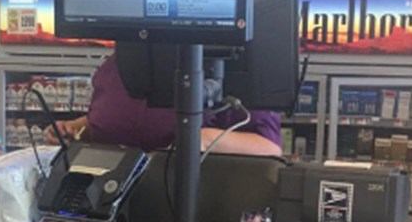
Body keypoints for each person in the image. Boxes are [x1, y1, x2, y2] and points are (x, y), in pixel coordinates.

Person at [45, 55, 281, 156]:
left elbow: (270, 147)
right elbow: (107, 122)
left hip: (192, 205)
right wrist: (75, 129)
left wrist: (203, 139)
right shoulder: (117, 64)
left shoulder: (224, 64)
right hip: (109, 199)